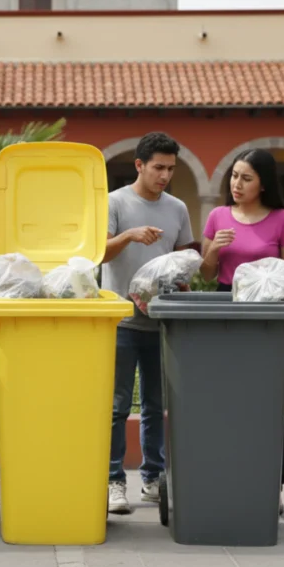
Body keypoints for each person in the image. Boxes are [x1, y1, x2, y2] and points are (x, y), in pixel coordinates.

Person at [201, 148, 284, 516]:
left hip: (267, 313)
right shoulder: (218, 216)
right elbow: (206, 275)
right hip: (224, 307)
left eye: (246, 178)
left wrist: (266, 281)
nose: (237, 184)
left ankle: (270, 484)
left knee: (266, 403)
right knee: (222, 400)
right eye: (234, 176)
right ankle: (225, 475)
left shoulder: (283, 219)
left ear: (263, 184)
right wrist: (213, 251)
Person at [101, 132, 194, 514]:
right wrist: (129, 235)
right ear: (139, 165)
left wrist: (185, 276)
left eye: (170, 168)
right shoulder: (115, 202)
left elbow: (185, 257)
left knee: (157, 405)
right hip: (121, 320)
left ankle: (153, 478)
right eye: (158, 167)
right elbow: (98, 252)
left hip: (162, 321)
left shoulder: (178, 208)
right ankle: (112, 481)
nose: (165, 175)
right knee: (117, 405)